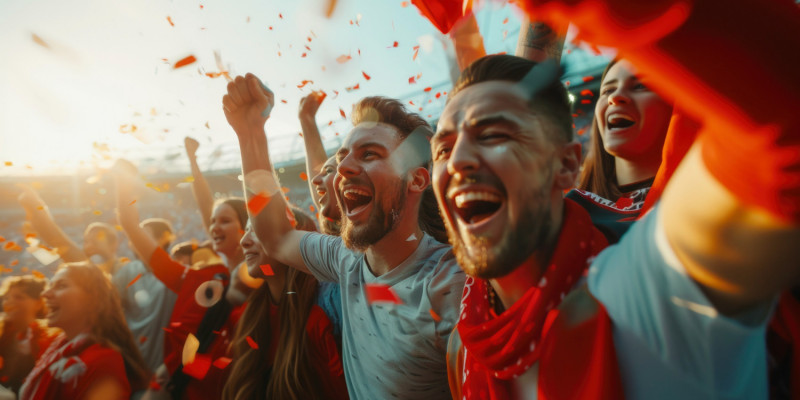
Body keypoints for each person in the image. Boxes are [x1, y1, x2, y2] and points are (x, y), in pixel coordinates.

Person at [435, 1, 799, 393]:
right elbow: (516, 106)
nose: (457, 162)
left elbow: (780, 129)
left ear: (566, 166)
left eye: (493, 135)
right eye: (442, 149)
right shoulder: (465, 347)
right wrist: (462, 31)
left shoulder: (652, 285)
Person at [223, 77, 466, 399]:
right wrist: (250, 134)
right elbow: (276, 236)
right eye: (343, 157)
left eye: (369, 154)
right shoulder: (346, 261)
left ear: (417, 180)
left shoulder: (450, 285)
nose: (344, 169)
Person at [113, 159, 253, 400]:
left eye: (226, 221)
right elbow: (131, 226)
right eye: (213, 222)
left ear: (248, 228)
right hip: (174, 388)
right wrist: (124, 185)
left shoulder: (265, 285)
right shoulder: (196, 277)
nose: (214, 228)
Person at [223, 214, 348, 400]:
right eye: (246, 231)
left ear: (293, 241)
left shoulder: (319, 319)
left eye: (257, 231)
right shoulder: (250, 315)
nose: (244, 241)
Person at [566, 58, 673, 242]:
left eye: (640, 86)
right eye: (607, 90)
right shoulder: (568, 211)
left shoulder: (698, 200)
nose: (614, 98)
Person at [18, 263, 150, 400]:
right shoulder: (58, 350)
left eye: (61, 286)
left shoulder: (103, 362)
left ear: (93, 298)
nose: (45, 294)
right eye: (50, 286)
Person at [110, 217, 179, 373]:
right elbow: (110, 311)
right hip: (132, 362)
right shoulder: (126, 272)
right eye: (133, 236)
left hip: (165, 366)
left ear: (163, 238)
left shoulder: (178, 272)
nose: (136, 240)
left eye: (142, 235)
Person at [0, 276, 58, 394]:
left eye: (18, 297)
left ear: (38, 303)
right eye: (6, 297)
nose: (9, 302)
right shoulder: (3, 330)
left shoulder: (49, 337)